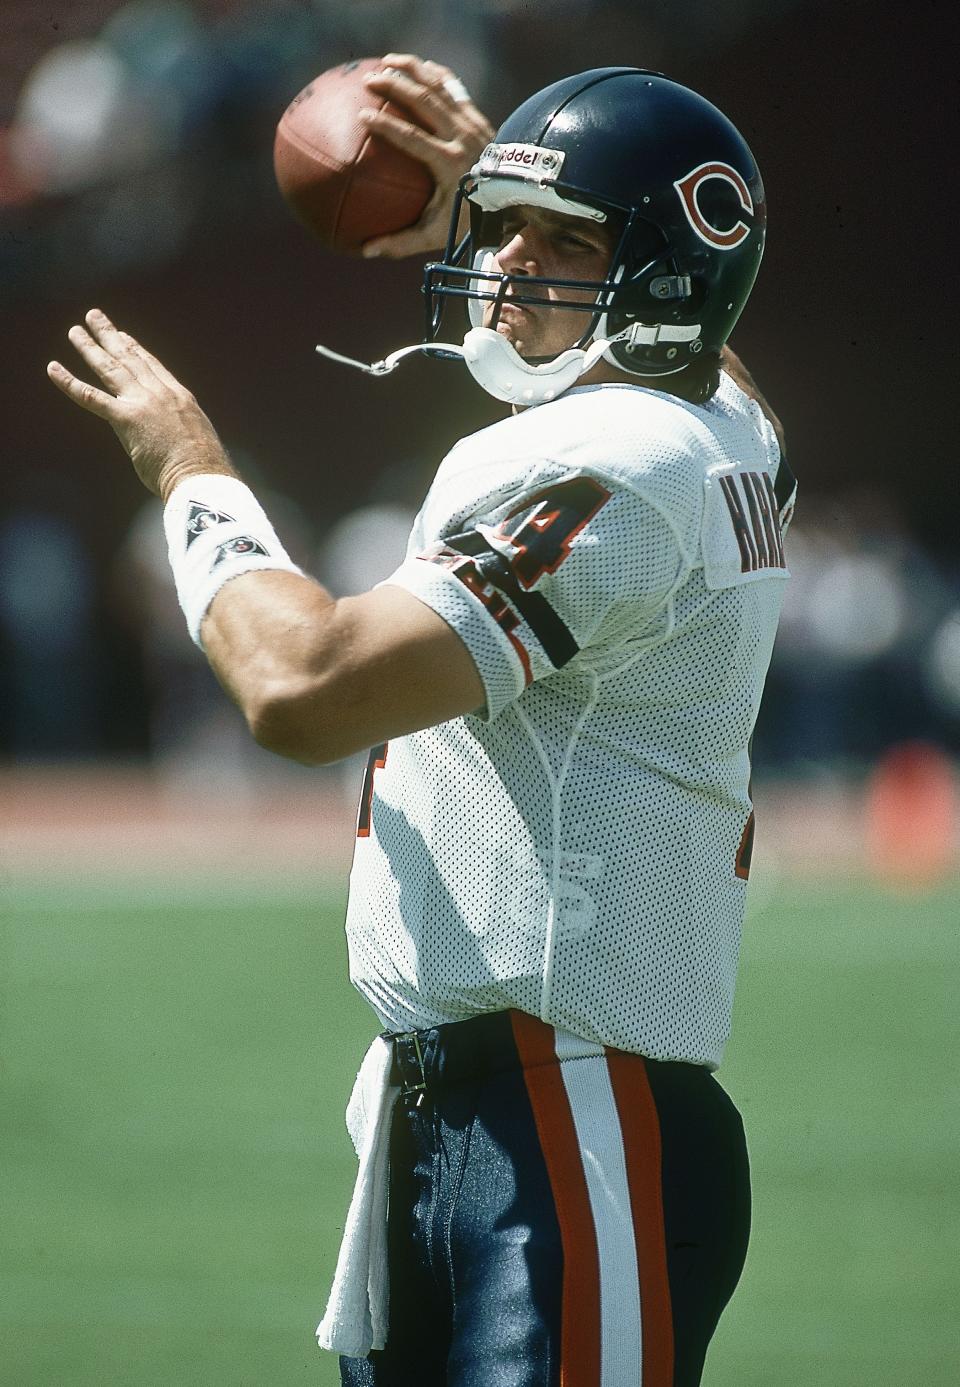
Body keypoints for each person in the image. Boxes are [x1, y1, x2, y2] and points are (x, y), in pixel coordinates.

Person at [48, 57, 794, 1387]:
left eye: (562, 242)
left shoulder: (616, 462)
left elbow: (303, 688)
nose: (504, 265)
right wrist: (494, 195)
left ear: (665, 288)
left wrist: (194, 477)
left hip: (575, 1115)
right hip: (465, 1105)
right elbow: (715, 366)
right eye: (506, 230)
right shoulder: (720, 428)